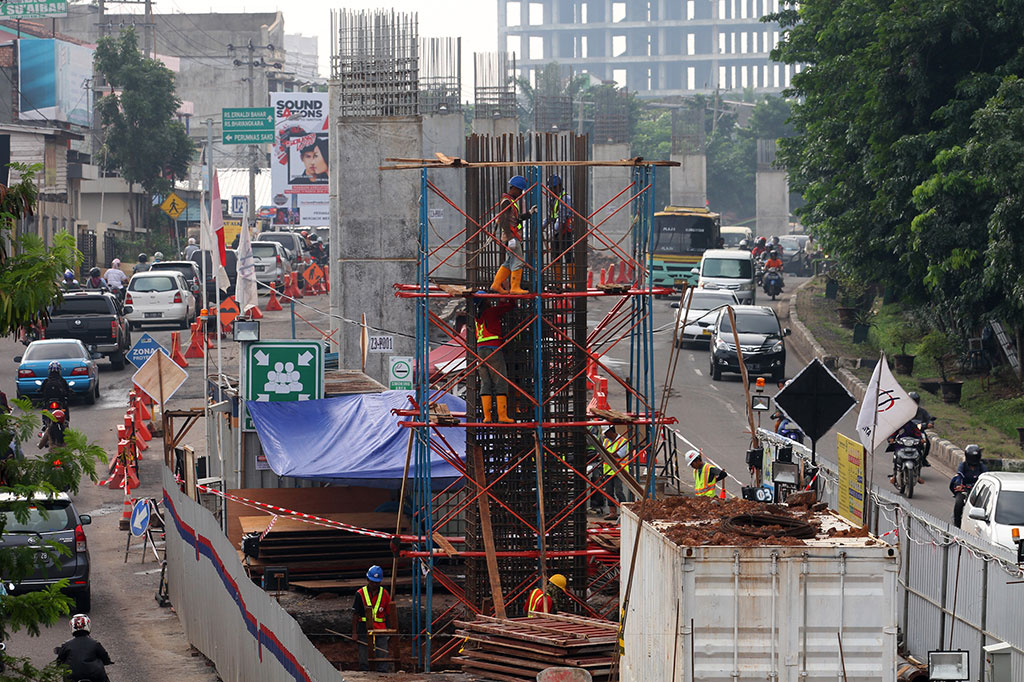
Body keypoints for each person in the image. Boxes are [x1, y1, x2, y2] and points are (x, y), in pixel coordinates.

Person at [491, 175, 535, 295]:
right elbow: (504, 220)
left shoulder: (511, 201)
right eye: (520, 191)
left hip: (512, 236)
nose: (520, 193)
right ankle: (515, 287)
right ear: (515, 188)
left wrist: (529, 214)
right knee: (519, 261)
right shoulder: (506, 202)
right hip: (511, 236)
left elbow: (517, 219)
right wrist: (510, 238)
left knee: (509, 261)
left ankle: (496, 284)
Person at [476, 298, 515, 423]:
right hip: (492, 349)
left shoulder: (477, 316)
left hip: (480, 351)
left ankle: (487, 417)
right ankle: (502, 416)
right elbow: (509, 306)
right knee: (500, 381)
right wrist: (503, 298)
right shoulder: (491, 312)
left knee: (486, 382)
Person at [352, 565, 395, 673]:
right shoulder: (360, 594)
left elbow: (389, 613)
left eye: (377, 582)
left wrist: (391, 630)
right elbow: (355, 614)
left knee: (382, 655)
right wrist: (354, 632)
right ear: (367, 579)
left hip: (381, 630)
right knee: (364, 657)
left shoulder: (384, 593)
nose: (374, 584)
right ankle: (365, 674)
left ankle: (382, 674)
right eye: (372, 581)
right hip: (364, 629)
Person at [55, 614, 113, 682]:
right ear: (88, 625)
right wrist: (108, 661)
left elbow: (59, 661)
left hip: (73, 676)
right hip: (95, 675)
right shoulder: (95, 643)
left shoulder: (67, 645)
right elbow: (105, 657)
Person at [545, 174, 574, 284]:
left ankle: (572, 283)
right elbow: (549, 217)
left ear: (559, 186)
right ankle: (558, 283)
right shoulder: (552, 200)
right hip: (556, 232)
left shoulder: (566, 198)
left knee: (568, 256)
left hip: (565, 232)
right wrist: (540, 227)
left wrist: (555, 231)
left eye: (553, 188)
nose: (551, 190)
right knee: (555, 257)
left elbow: (562, 217)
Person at [950, 444, 987, 528]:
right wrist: (959, 485)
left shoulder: (982, 467)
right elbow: (959, 475)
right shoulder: (963, 465)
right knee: (958, 503)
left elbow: (985, 476)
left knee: (983, 506)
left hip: (977, 489)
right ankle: (957, 524)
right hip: (965, 488)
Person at [600, 425, 630, 519]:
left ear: (611, 432)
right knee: (609, 492)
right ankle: (612, 512)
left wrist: (606, 454)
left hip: (619, 470)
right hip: (608, 471)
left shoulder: (622, 441)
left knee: (618, 492)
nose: (605, 435)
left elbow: (619, 455)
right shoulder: (606, 441)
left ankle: (625, 511)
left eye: (606, 433)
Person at [908, 391, 934, 466]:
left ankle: (923, 459)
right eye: (911, 401)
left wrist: (930, 423)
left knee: (927, 443)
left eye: (915, 401)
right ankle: (896, 465)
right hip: (906, 431)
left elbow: (929, 419)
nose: (913, 403)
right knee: (897, 443)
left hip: (919, 431)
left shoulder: (922, 411)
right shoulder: (903, 411)